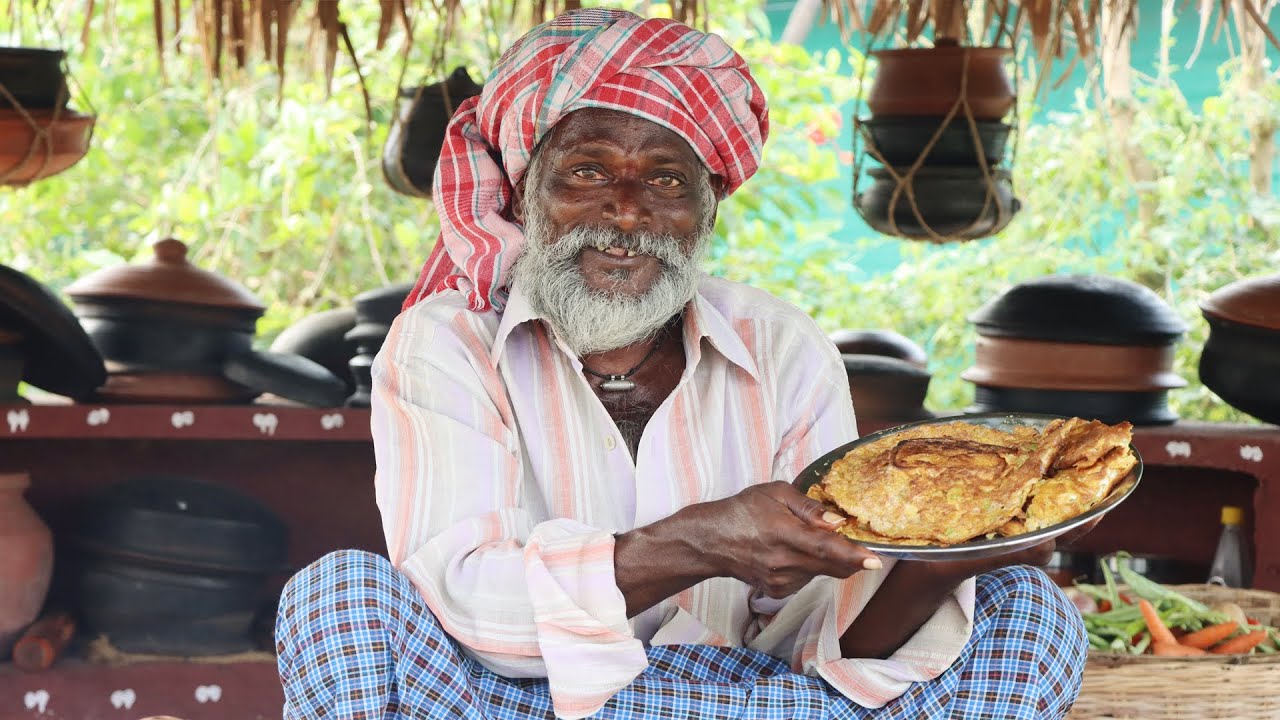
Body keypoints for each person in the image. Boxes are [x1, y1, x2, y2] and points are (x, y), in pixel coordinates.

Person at [275, 8, 1089, 719]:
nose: (627, 211)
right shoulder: (446, 345)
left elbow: (821, 645)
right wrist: (697, 544)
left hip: (761, 705)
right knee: (337, 597)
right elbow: (473, 609)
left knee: (1026, 612)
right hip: (515, 705)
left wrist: (945, 561)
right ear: (525, 192)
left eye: (666, 179)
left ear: (708, 206)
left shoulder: (780, 346)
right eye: (588, 171)